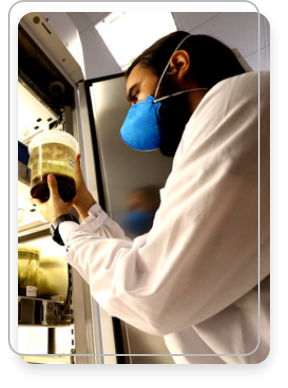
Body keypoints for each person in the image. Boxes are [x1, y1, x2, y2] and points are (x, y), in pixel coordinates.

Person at [31, 32, 270, 364]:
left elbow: (151, 289)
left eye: (135, 95)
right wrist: (84, 206)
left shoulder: (240, 99)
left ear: (179, 65)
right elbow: (154, 262)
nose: (132, 112)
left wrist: (63, 225)